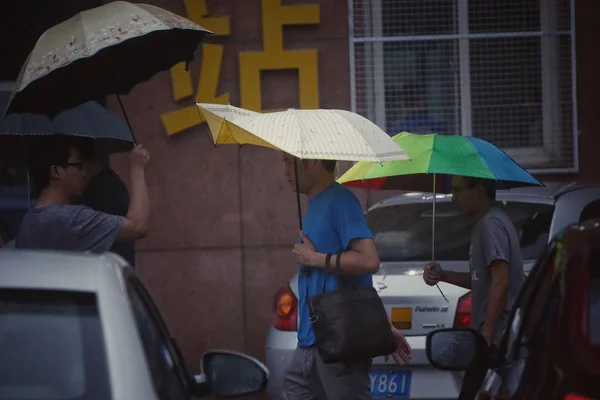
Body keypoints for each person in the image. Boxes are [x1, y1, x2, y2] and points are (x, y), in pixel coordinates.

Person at [281, 155, 411, 400]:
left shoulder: (340, 200)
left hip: (339, 342)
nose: (285, 170)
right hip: (311, 341)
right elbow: (354, 281)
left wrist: (313, 258)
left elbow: (368, 261)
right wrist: (383, 323)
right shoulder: (315, 205)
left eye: (289, 162)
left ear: (315, 162)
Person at [423, 176, 524, 400]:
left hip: (496, 338)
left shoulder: (490, 224)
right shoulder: (490, 223)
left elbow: (501, 280)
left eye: (458, 190)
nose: (453, 197)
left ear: (478, 191)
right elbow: (483, 281)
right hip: (496, 339)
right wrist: (443, 275)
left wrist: (486, 336)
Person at [14, 135, 150, 253]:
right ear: (56, 171)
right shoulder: (69, 218)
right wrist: (137, 168)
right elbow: (137, 227)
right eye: (78, 165)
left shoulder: (29, 220)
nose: (84, 173)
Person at [80, 143, 136, 267]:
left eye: (79, 165)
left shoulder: (101, 187)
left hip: (106, 263)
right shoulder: (108, 182)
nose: (81, 173)